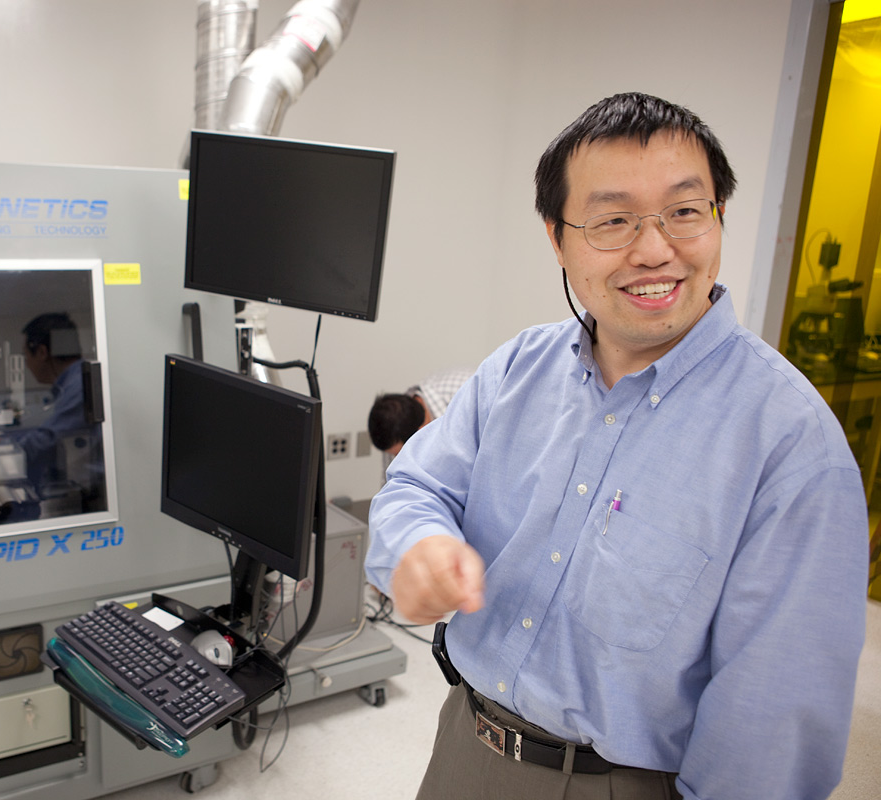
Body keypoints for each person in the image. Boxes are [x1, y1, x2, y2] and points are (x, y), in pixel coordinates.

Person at [366, 92, 868, 800]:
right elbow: (418, 486)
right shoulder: (518, 368)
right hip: (464, 743)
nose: (655, 250)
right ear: (557, 239)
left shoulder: (791, 445)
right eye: (613, 220)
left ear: (719, 215)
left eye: (685, 211)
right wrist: (418, 543)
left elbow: (771, 730)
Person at [8, 312, 104, 504]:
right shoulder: (76, 382)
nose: (27, 364)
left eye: (26, 356)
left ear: (42, 353)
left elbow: (47, 441)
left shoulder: (80, 386)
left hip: (96, 495)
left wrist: (5, 449)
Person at [368, 366, 474, 456]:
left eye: (399, 454)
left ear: (420, 432)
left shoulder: (467, 394)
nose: (398, 458)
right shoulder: (393, 431)